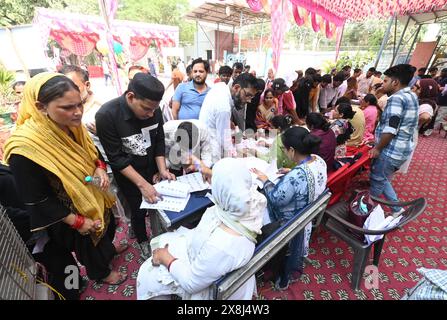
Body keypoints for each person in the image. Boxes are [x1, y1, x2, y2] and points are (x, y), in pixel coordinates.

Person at [4, 73, 128, 299]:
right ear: (41, 107)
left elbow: (92, 151)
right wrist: (77, 221)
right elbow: (37, 198)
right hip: (64, 211)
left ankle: (108, 252)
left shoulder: (72, 125)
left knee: (107, 229)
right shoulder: (24, 148)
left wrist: (99, 167)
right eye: (68, 107)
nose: (78, 112)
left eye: (79, 103)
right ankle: (100, 272)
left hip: (92, 194)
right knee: (88, 243)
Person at [136, 157, 266, 300]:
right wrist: (204, 167)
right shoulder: (248, 202)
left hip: (208, 286)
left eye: (215, 181)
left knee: (148, 275)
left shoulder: (221, 245)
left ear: (221, 190)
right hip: (214, 264)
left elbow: (191, 283)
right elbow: (231, 179)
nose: (211, 182)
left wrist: (166, 258)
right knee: (163, 242)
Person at [95, 73, 176, 259]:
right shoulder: (107, 115)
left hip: (152, 166)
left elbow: (159, 140)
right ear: (131, 97)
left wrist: (162, 169)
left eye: (154, 110)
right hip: (129, 174)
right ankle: (142, 240)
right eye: (146, 109)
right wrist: (142, 184)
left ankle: (157, 234)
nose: (151, 114)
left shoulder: (153, 108)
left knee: (158, 204)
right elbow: (117, 158)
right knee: (138, 209)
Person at [251, 126, 327, 290]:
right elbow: (304, 176)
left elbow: (277, 199)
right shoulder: (318, 160)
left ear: (292, 150)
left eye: (284, 149)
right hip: (306, 213)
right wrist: (290, 171)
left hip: (289, 222)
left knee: (257, 203)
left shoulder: (295, 177)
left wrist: (265, 180)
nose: (284, 152)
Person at [369, 64, 419, 217]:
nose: (383, 84)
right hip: (402, 149)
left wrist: (377, 148)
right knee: (383, 179)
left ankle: (368, 214)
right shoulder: (411, 95)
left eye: (385, 81)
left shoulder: (396, 99)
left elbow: (391, 129)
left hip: (390, 151)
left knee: (377, 181)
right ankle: (397, 210)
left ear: (395, 82)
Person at [199, 73, 257, 163]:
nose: (249, 100)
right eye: (247, 95)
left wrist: (228, 122)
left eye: (252, 97)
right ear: (236, 87)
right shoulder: (224, 107)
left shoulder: (221, 87)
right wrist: (237, 155)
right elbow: (224, 141)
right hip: (212, 150)